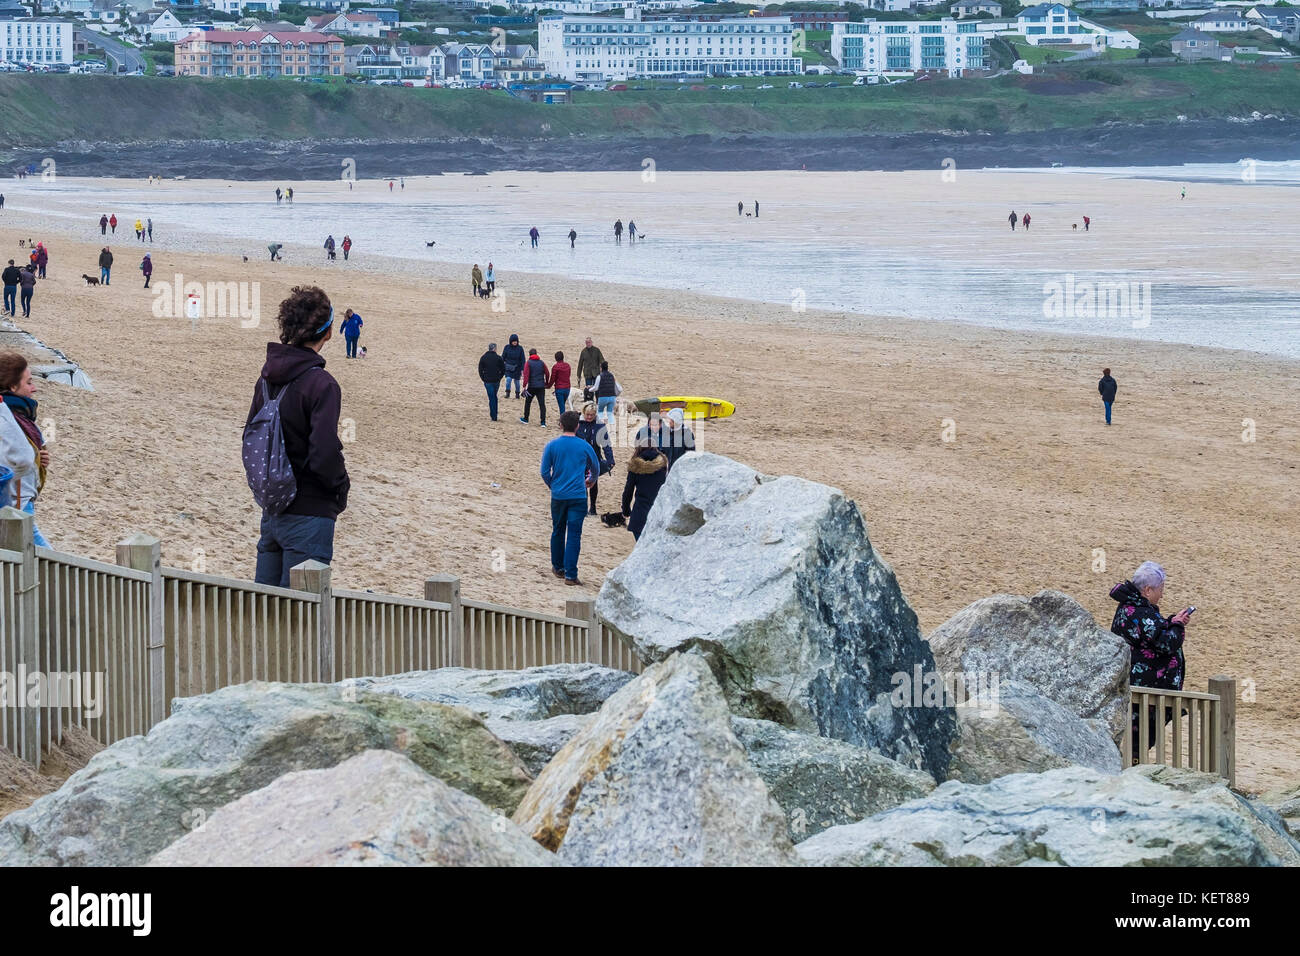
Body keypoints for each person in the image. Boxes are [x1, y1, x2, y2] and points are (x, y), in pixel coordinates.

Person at [246, 285, 349, 588]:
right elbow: (324, 453)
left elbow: (250, 438)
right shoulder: (322, 384)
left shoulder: (266, 379)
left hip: (273, 509)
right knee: (301, 618)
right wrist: (340, 489)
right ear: (328, 332)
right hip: (310, 513)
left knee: (266, 610)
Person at [1110, 562, 1192, 760]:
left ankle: (1129, 768)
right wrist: (1178, 627)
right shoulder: (1139, 611)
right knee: (1139, 742)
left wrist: (1171, 621)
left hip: (1143, 692)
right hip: (1145, 693)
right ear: (1147, 590)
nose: (1162, 595)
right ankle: (1129, 772)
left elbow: (1152, 633)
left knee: (1139, 741)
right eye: (1160, 590)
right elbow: (1165, 643)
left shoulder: (1135, 607)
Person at [540, 410, 600, 586]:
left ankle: (558, 567)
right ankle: (571, 575)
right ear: (577, 426)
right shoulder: (584, 446)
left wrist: (553, 485)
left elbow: (544, 472)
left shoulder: (552, 445)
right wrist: (590, 480)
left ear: (560, 425)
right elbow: (595, 467)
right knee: (574, 534)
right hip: (578, 495)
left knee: (558, 529)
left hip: (559, 495)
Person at [0, 352, 51, 547]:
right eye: (29, 382)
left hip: (18, 500)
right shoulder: (6, 416)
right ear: (12, 387)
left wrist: (40, 459)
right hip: (16, 502)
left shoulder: (21, 416)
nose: (34, 388)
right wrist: (29, 463)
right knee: (53, 564)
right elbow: (22, 458)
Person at [621, 434, 667, 541]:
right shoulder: (663, 464)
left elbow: (628, 491)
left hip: (640, 513)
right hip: (658, 512)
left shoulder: (635, 466)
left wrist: (626, 510)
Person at [575, 402, 613, 515]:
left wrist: (610, 460)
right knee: (582, 482)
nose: (589, 417)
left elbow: (606, 444)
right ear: (583, 413)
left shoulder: (600, 426)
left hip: (594, 457)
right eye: (587, 414)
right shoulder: (577, 424)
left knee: (593, 482)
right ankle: (584, 507)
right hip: (580, 459)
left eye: (592, 414)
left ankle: (593, 507)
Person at [519, 348, 550, 427]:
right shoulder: (541, 362)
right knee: (542, 404)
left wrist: (524, 386)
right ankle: (543, 422)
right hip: (541, 386)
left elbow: (526, 375)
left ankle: (526, 418)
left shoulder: (528, 363)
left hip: (532, 386)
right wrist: (546, 382)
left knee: (528, 402)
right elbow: (547, 373)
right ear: (536, 354)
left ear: (529, 355)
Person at [659, 407, 696, 472]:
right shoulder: (667, 431)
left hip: (680, 468)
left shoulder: (687, 433)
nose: (669, 421)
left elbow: (690, 453)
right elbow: (662, 448)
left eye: (671, 420)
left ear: (676, 421)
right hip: (667, 467)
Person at [478, 342, 505, 421]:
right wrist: (500, 377)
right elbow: (503, 369)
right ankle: (494, 415)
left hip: (488, 381)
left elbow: (480, 369)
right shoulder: (499, 358)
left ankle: (493, 416)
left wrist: (483, 378)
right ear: (495, 349)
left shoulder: (483, 357)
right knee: (494, 397)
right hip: (496, 381)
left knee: (492, 398)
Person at [592, 360, 621, 425]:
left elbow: (595, 388)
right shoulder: (612, 375)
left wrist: (589, 390)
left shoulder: (599, 376)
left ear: (601, 368)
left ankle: (600, 426)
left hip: (603, 397)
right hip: (612, 397)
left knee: (600, 412)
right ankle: (612, 427)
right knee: (610, 413)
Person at [502, 334, 524, 399]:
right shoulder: (506, 347)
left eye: (516, 341)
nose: (515, 342)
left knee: (517, 382)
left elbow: (523, 359)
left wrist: (522, 369)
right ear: (510, 341)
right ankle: (507, 393)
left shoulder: (520, 348)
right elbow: (503, 357)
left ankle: (517, 394)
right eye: (513, 341)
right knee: (508, 380)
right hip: (508, 367)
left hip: (517, 368)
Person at [551, 350, 572, 416]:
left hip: (559, 389)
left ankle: (563, 422)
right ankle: (563, 420)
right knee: (562, 405)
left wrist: (548, 386)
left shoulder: (555, 367)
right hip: (567, 388)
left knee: (562, 407)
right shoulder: (568, 365)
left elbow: (552, 378)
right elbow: (568, 375)